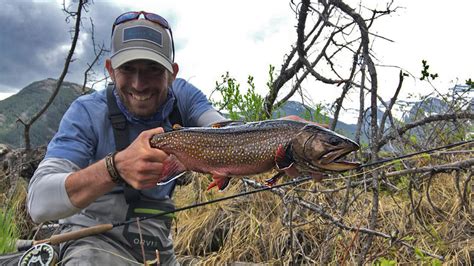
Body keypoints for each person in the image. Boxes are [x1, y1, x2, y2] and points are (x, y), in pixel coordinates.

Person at [27, 11, 227, 265]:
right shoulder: (86, 112)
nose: (139, 84)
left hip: (156, 244)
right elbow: (39, 203)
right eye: (127, 68)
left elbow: (224, 131)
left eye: (153, 69)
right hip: (90, 242)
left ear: (172, 73)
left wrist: (284, 139)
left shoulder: (184, 98)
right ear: (110, 70)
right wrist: (115, 167)